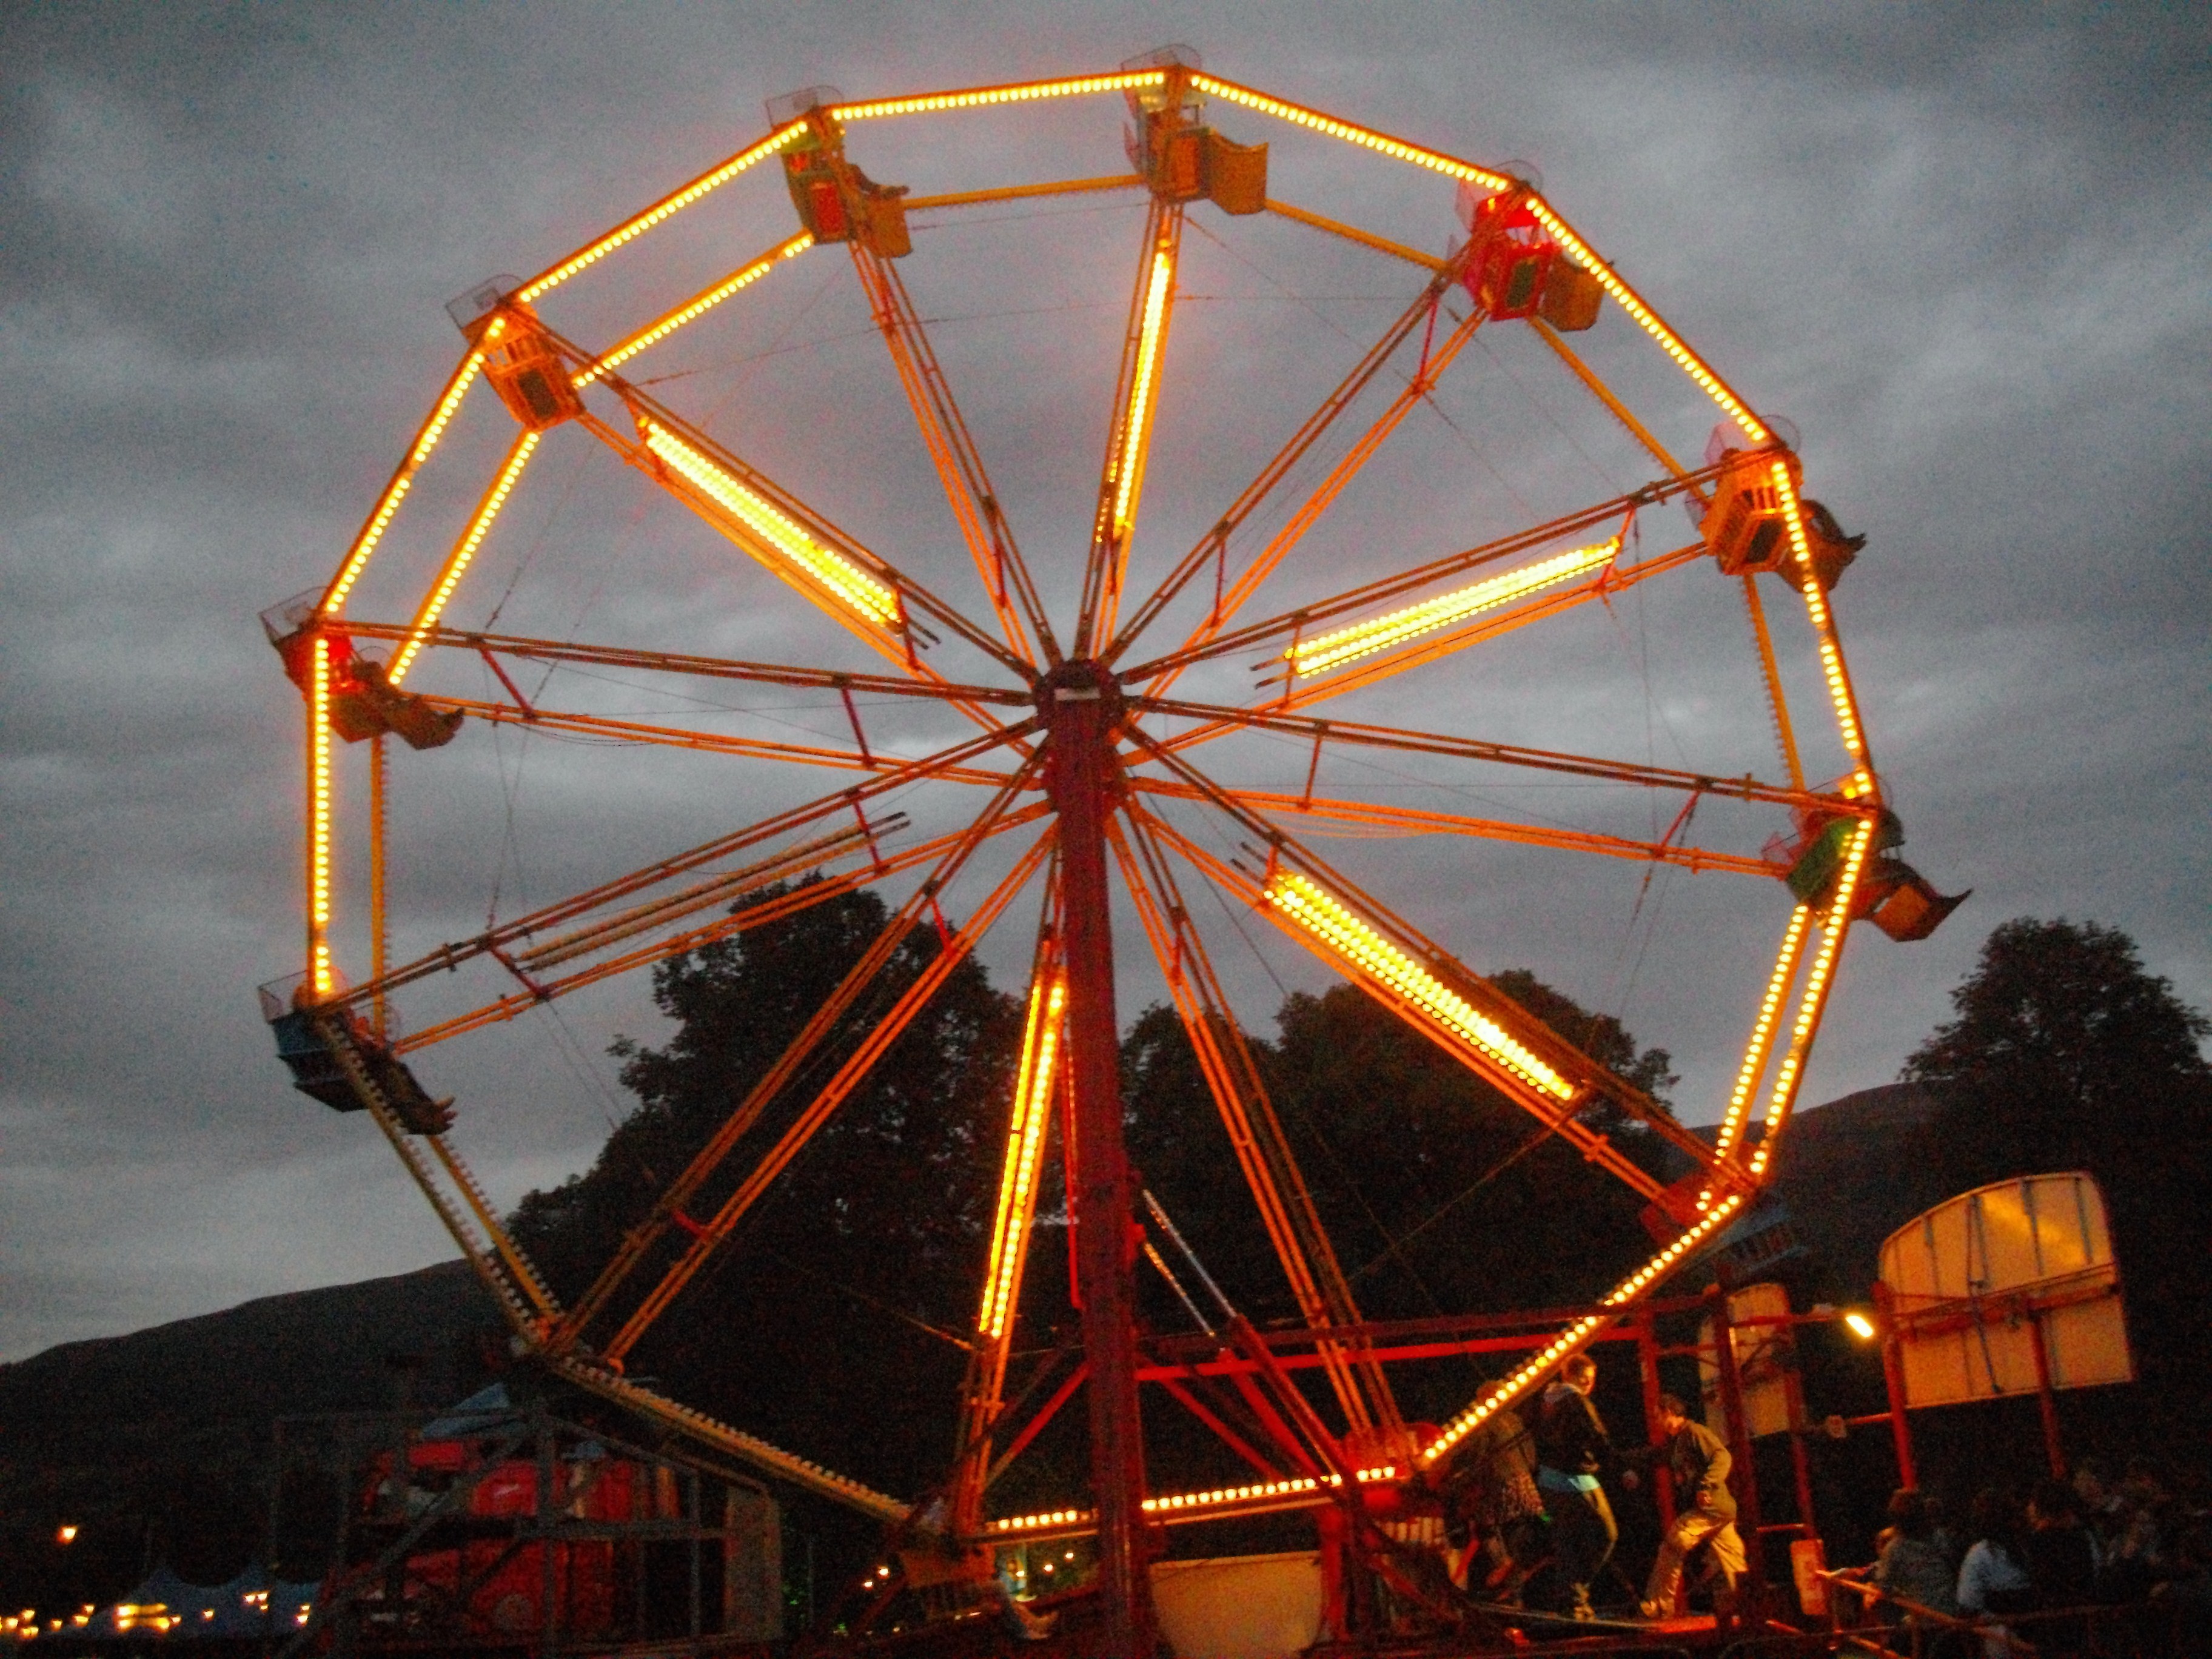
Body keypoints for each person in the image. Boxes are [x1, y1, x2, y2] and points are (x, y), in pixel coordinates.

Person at [1635, 1394, 1745, 1620]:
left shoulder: (1694, 1433)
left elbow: (1722, 1455)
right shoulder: (1676, 1442)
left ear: (1669, 1413)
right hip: (1719, 1512)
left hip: (1710, 1507)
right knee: (1730, 1562)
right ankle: (1745, 1606)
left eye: (1658, 1416)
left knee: (1675, 1542)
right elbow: (1655, 1456)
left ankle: (1658, 1605)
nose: (1657, 1421)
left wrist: (1706, 1485)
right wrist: (1623, 1461)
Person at [1533, 1353, 1619, 1620]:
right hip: (1577, 1477)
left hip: (1549, 1479)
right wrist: (1620, 1468)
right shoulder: (1576, 1400)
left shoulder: (1544, 1401)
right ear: (1581, 1377)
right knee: (1607, 1533)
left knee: (1566, 1542)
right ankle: (1577, 1593)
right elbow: (1596, 1435)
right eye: (1590, 1379)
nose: (1592, 1384)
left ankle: (1569, 1600)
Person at [1438, 1395, 1544, 1604]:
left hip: (1500, 1493)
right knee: (1521, 1544)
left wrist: (1454, 1479)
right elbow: (1531, 1458)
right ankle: (1516, 1585)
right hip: (1527, 1492)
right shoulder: (1515, 1420)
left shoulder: (1484, 1424)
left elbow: (1475, 1459)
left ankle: (1507, 1579)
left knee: (1487, 1529)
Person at [1956, 1487, 2033, 1657]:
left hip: (2002, 1639)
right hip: (2036, 1632)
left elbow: (1968, 1606)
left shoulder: (1980, 1555)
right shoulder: (2031, 1546)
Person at [1859, 1488, 1958, 1620]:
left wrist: (1872, 1586)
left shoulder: (1895, 1548)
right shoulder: (1940, 1536)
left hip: (1925, 1616)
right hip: (1952, 1608)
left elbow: (1884, 1586)